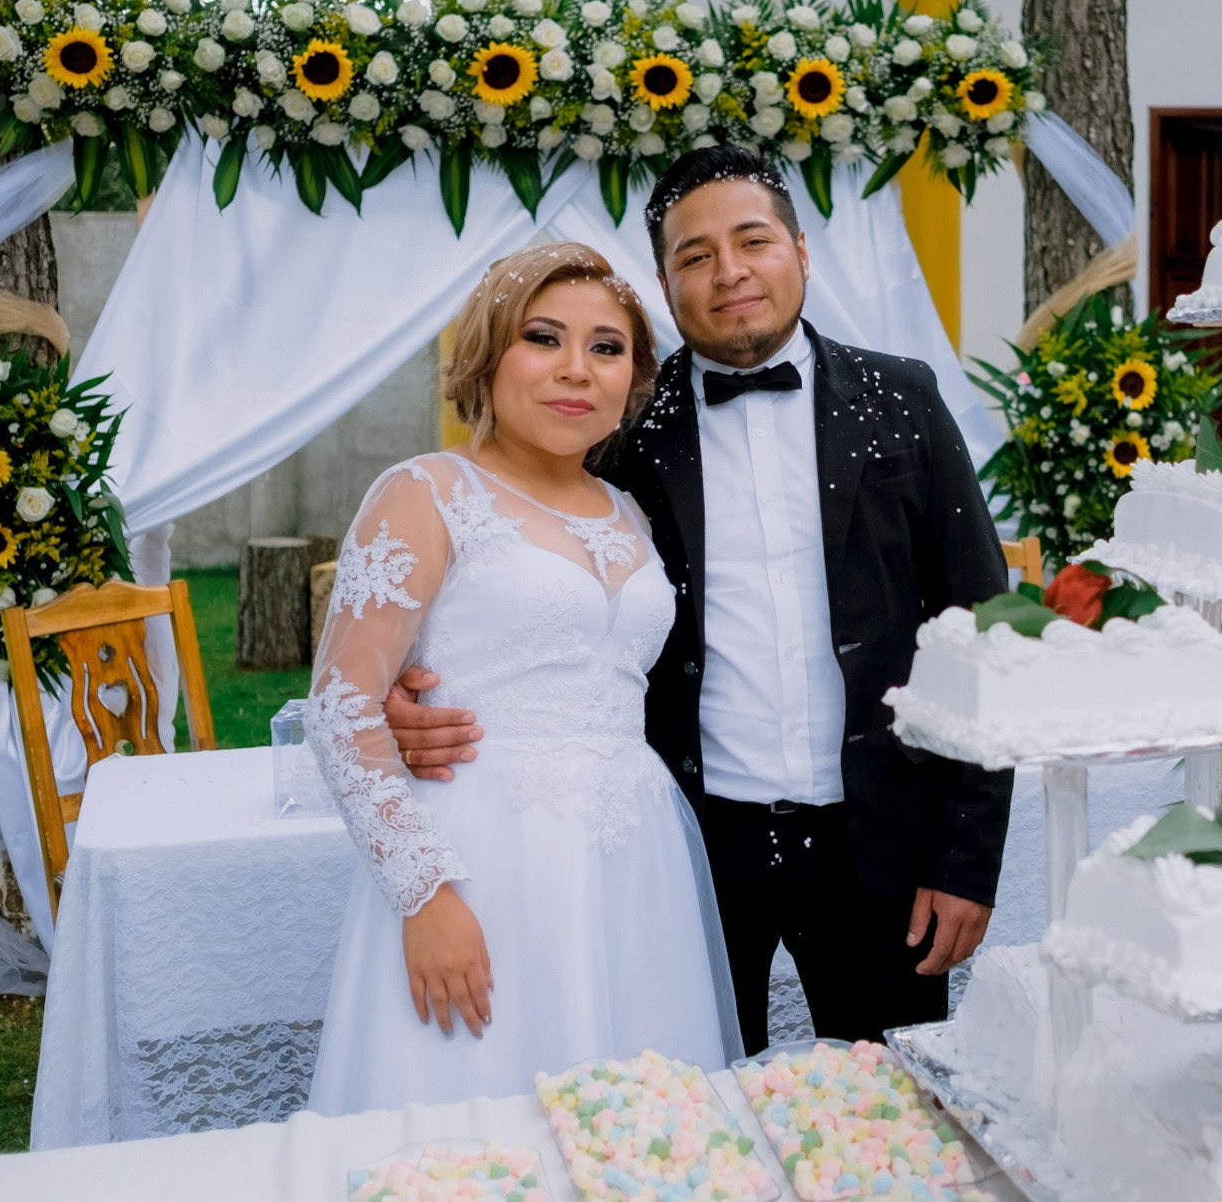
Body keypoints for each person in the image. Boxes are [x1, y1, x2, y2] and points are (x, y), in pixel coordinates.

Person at [385, 146, 1015, 1055]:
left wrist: (966, 858)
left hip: (880, 842)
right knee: (690, 1110)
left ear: (800, 247)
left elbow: (978, 634)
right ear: (665, 282)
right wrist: (413, 686)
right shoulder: (618, 424)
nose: (729, 273)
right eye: (693, 255)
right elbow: (519, 564)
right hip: (684, 846)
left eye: (752, 240)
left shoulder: (903, 402)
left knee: (892, 1125)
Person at [301, 242, 739, 1116]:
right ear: (487, 354)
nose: (577, 369)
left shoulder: (631, 510)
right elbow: (341, 704)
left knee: (644, 1119)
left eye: (607, 347)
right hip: (483, 856)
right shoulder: (425, 491)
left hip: (633, 856)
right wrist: (424, 892)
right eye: (544, 338)